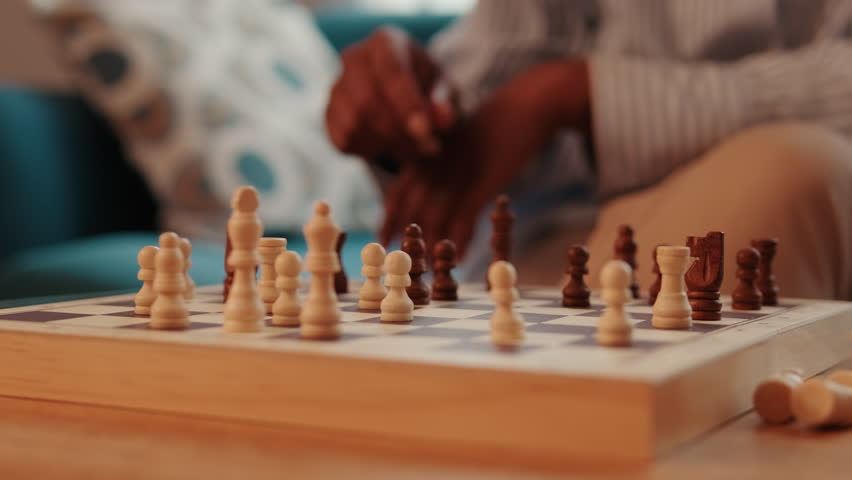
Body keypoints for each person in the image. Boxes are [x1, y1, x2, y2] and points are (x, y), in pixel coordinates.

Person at [325, 0, 852, 300]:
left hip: (790, 216)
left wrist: (581, 93)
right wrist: (423, 110)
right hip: (563, 242)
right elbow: (501, 90)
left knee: (787, 173)